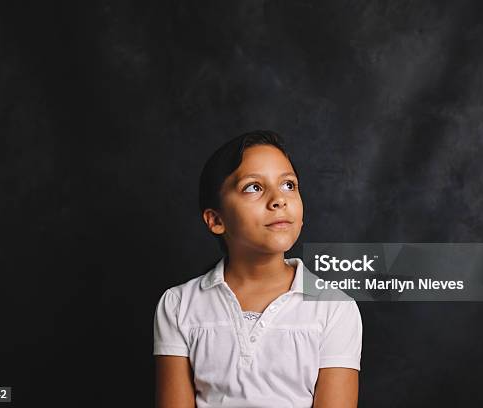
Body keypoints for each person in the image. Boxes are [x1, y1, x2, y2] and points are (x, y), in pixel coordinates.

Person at [154, 130, 362, 407]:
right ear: (216, 220)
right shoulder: (178, 305)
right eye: (253, 187)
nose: (279, 199)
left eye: (289, 185)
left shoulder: (334, 308)